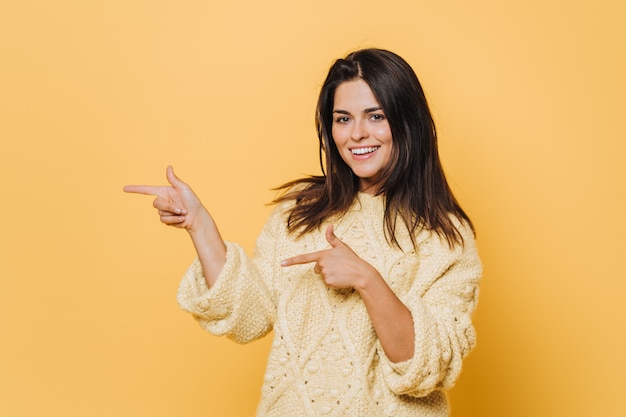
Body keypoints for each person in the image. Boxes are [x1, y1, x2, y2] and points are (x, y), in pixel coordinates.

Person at [124, 48, 482, 416]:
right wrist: (199, 225)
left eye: (375, 116)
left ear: (408, 122)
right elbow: (249, 316)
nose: (357, 134)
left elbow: (428, 368)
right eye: (343, 119)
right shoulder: (300, 214)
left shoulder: (445, 237)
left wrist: (367, 279)